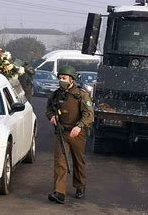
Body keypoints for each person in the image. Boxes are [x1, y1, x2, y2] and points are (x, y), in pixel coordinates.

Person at [46, 65, 94, 204]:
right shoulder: (56, 94)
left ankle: (80, 186)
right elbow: (49, 109)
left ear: (71, 79)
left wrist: (79, 126)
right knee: (60, 162)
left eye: (64, 78)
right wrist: (51, 117)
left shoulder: (81, 94)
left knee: (78, 161)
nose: (61, 80)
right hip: (61, 132)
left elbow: (89, 114)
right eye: (60, 78)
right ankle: (59, 192)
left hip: (77, 133)